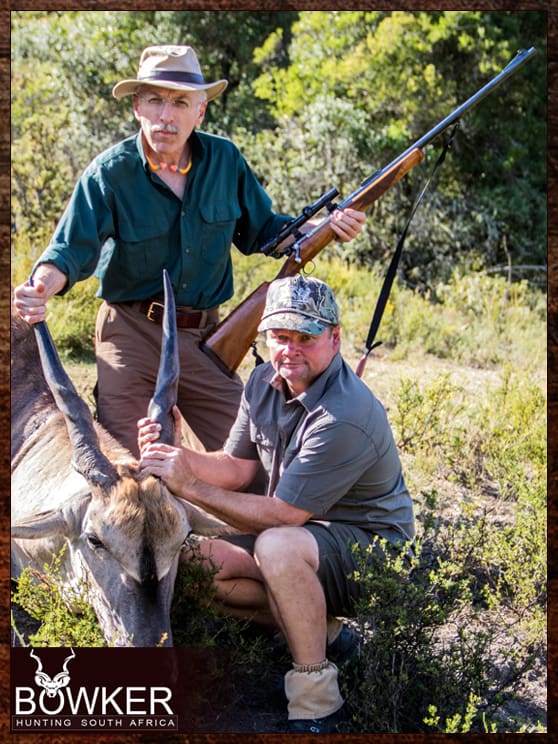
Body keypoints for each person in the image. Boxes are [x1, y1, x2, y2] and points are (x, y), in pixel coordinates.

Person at [13, 45, 365, 457]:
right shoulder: (110, 173)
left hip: (203, 339)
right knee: (128, 471)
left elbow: (264, 232)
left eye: (180, 102)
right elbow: (69, 251)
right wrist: (39, 288)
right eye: (155, 100)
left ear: (200, 112)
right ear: (136, 107)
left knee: (256, 459)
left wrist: (325, 228)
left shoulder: (225, 161)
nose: (167, 115)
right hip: (130, 333)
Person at [138, 274, 416, 733]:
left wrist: (188, 486)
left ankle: (316, 702)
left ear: (335, 338)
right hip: (307, 540)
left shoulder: (345, 414)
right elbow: (238, 467)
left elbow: (285, 517)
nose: (289, 350)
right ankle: (322, 635)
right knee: (193, 562)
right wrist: (175, 455)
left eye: (305, 337)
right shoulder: (265, 380)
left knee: (278, 547)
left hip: (373, 554)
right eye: (279, 337)